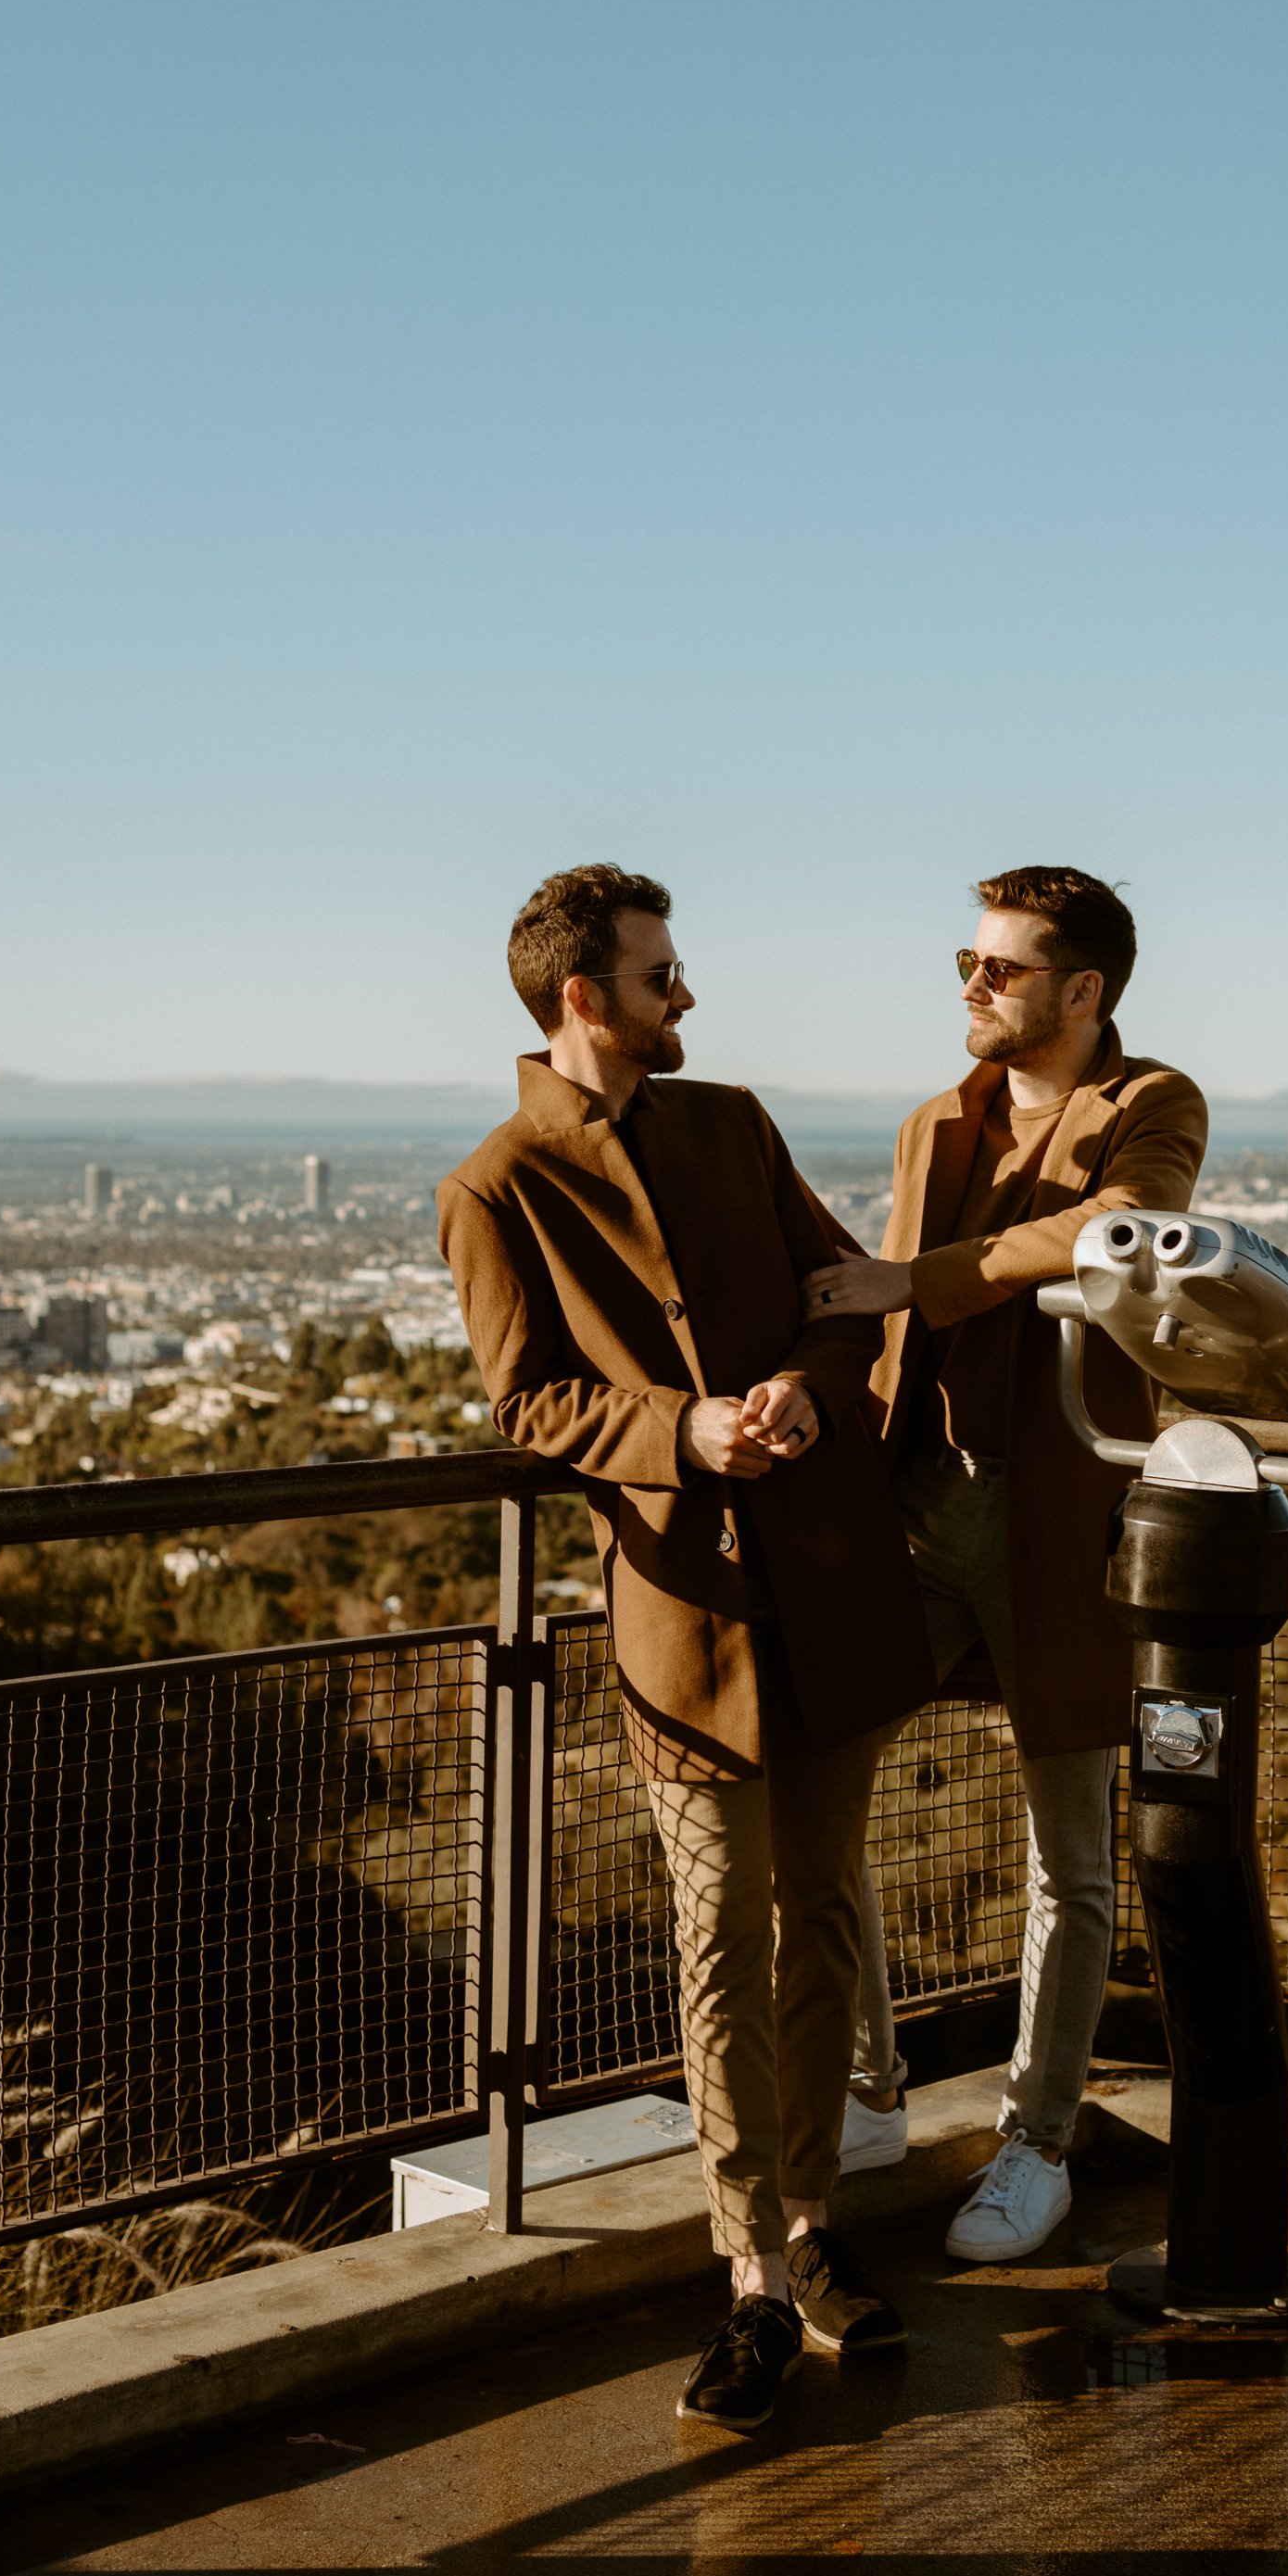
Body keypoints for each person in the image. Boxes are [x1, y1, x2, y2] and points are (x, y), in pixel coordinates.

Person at [438, 864, 934, 2435]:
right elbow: (526, 1402)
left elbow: (843, 1293)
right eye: (663, 975)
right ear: (585, 998)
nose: (688, 996)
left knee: (822, 1929)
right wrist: (682, 1430)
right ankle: (754, 2284)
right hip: (683, 1613)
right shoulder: (495, 1187)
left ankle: (811, 2224)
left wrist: (799, 1374)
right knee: (718, 1943)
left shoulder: (733, 1122)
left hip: (830, 1586)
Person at [803, 866, 1206, 2259]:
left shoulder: (1151, 1106)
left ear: (1082, 990)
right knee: (812, 1776)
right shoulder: (938, 1121)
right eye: (966, 962)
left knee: (1071, 1853)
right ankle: (865, 2089)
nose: (971, 986)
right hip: (921, 1497)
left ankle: (1037, 2140)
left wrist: (917, 1279)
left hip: (1061, 1508)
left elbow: (1107, 1239)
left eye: (1002, 968)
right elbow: (884, 1294)